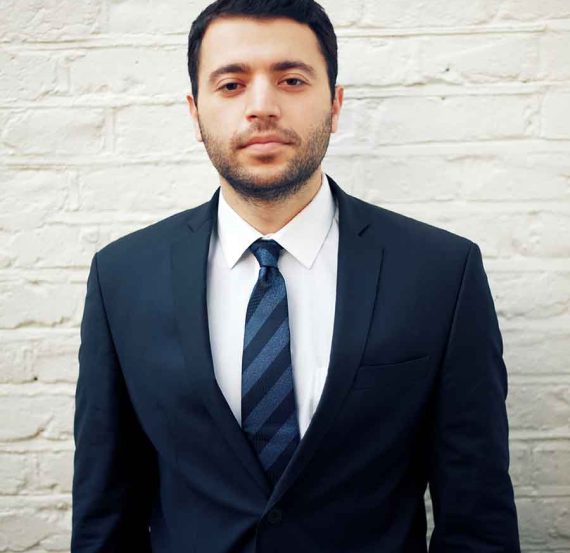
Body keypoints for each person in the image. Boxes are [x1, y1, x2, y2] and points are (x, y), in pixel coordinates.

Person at [71, 0, 521, 551]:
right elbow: (104, 513)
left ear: (334, 104)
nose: (262, 107)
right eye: (231, 85)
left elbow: (477, 517)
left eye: (290, 79)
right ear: (195, 113)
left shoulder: (442, 274)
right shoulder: (121, 278)